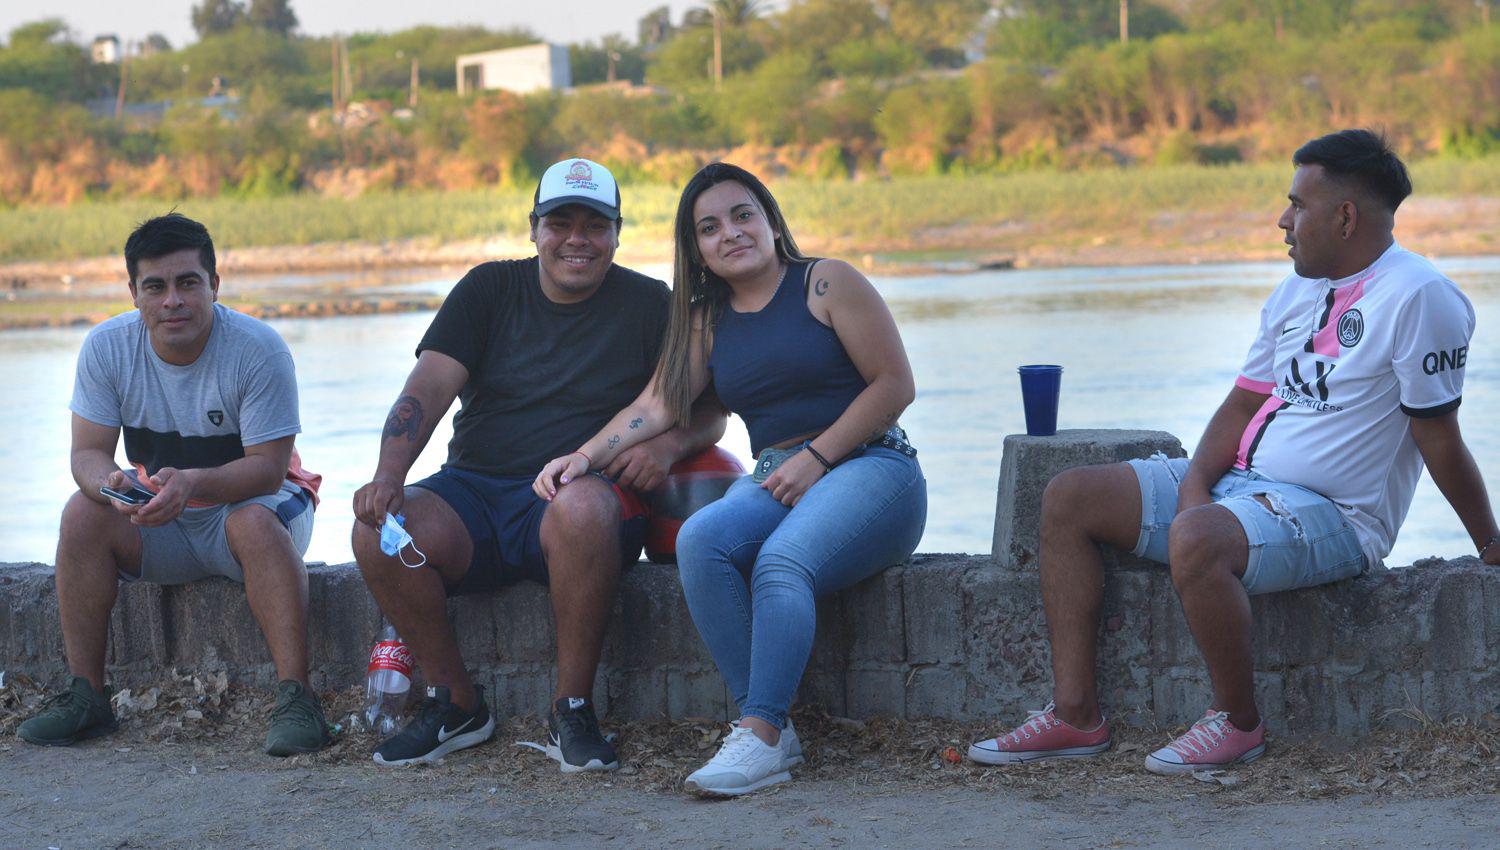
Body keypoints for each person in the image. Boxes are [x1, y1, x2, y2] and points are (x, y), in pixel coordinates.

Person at [969, 129, 1500, 774]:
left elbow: (1438, 436)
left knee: (1197, 541)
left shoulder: (1422, 297)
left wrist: (1489, 545)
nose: (1283, 221)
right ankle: (1076, 715)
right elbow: (1242, 405)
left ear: (1346, 216)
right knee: (1070, 496)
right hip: (1241, 489)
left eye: (1297, 205)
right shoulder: (1297, 290)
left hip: (1332, 515)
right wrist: (1195, 487)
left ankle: (1237, 723)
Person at [536, 162, 927, 796]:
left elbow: (895, 386)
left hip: (873, 467)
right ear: (696, 249)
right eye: (709, 227)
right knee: (702, 538)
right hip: (777, 475)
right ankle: (767, 729)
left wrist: (819, 457)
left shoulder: (826, 283)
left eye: (743, 216)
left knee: (781, 561)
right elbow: (658, 406)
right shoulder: (706, 318)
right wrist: (584, 456)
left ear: (771, 221)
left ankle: (760, 734)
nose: (730, 234)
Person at [351, 158, 727, 769]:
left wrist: (663, 448)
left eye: (594, 225)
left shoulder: (650, 303)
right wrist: (388, 476)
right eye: (560, 222)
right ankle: (456, 705)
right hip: (473, 492)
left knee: (581, 505)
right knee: (379, 534)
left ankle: (572, 708)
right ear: (533, 228)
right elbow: (426, 389)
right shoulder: (487, 289)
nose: (577, 238)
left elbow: (708, 411)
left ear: (618, 232)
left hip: (579, 497)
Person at [18, 213, 328, 757]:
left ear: (215, 284)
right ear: (133, 292)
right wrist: (110, 485)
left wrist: (193, 483)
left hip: (254, 504)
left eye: (188, 282)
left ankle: (297, 697)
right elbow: (86, 453)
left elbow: (268, 469)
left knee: (255, 520)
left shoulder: (259, 348)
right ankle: (87, 695)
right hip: (163, 510)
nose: (173, 301)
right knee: (81, 513)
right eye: (155, 286)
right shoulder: (107, 347)